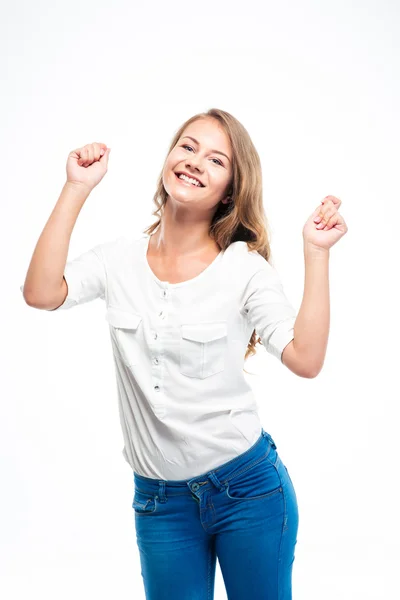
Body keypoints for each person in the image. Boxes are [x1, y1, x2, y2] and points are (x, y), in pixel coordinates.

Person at [20, 108, 348, 599]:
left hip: (249, 491)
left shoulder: (244, 270)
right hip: (160, 502)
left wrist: (316, 254)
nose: (195, 161)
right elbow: (41, 292)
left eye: (216, 160)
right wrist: (77, 188)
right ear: (169, 158)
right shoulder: (118, 260)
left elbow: (305, 359)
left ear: (231, 190)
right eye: (188, 146)